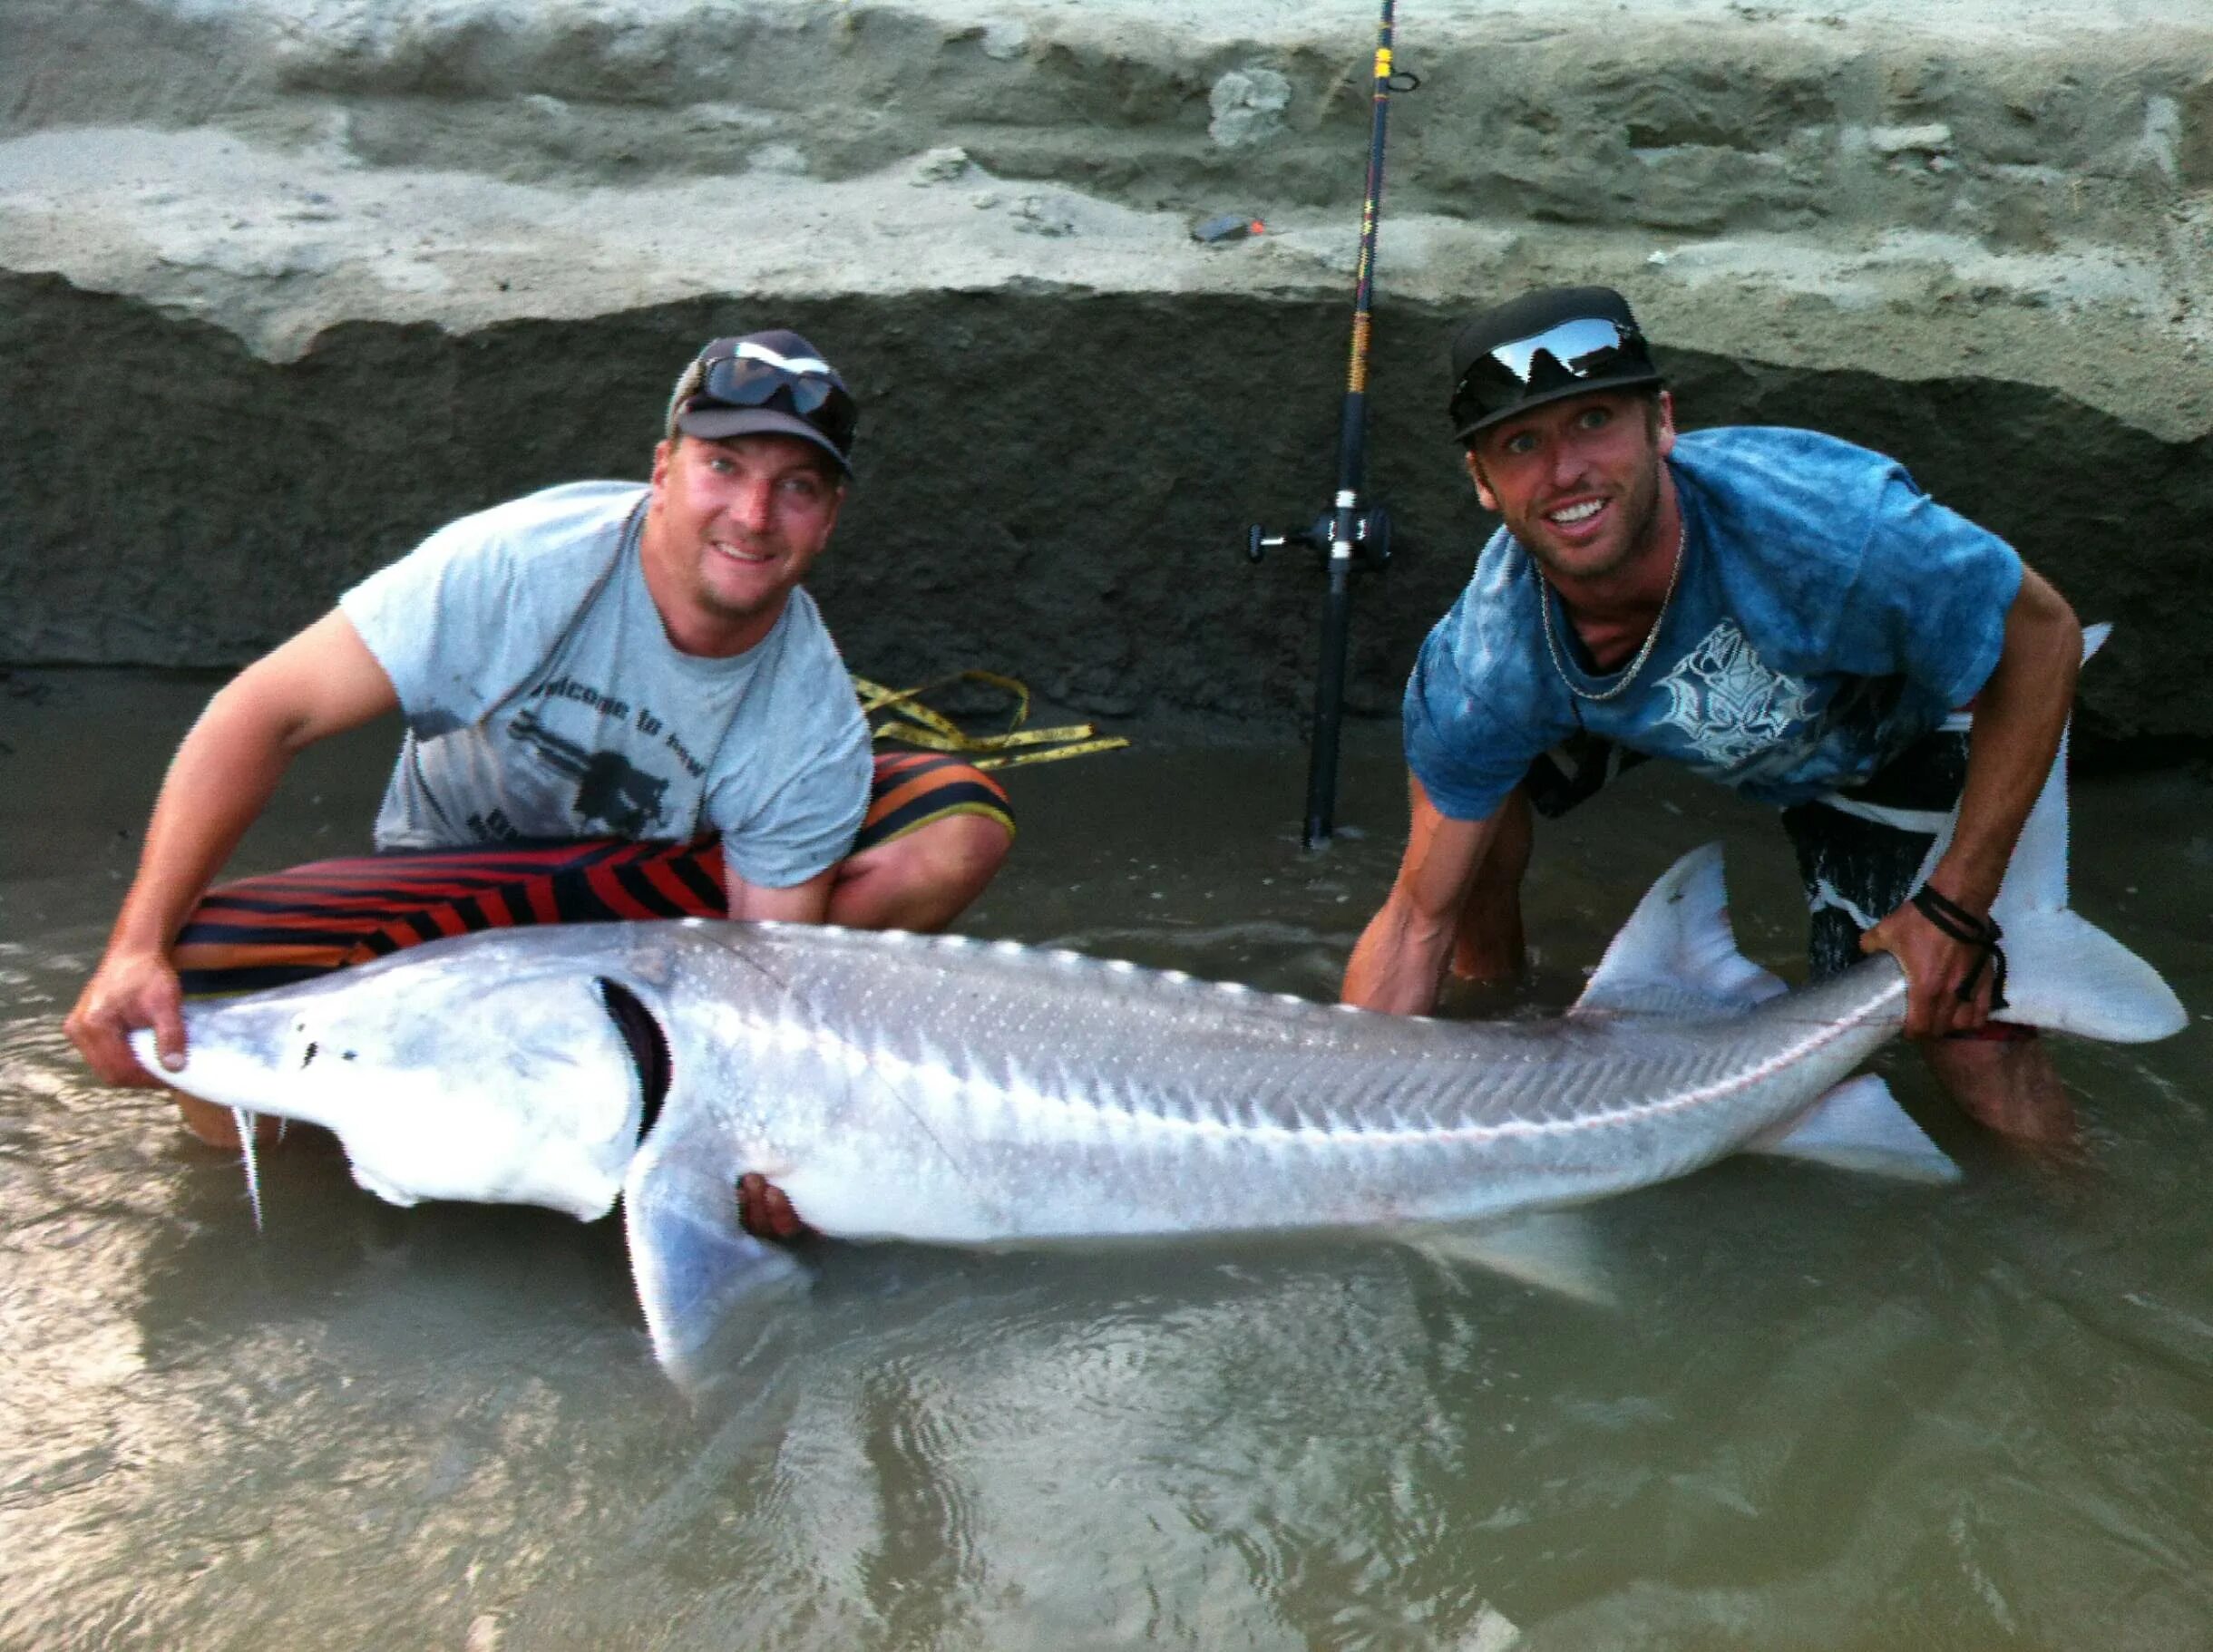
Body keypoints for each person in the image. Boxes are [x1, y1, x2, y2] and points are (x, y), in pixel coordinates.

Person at [66, 329, 1014, 1174]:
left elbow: (763, 969)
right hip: (457, 904)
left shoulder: (809, 713)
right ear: (663, 469)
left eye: (795, 487)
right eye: (724, 465)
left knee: (950, 818)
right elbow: (256, 713)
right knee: (198, 972)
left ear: (828, 519)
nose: (754, 515)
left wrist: (771, 1148)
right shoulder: (521, 563)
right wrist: (132, 944)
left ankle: (649, 1116)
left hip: (652, 911)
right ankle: (292, 1187)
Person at [1342, 286, 2084, 1142]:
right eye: (1520, 443)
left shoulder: (1830, 532)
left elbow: (2043, 634)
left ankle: (2079, 1210)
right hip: (1670, 714)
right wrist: (1367, 1139)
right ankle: (1507, 1015)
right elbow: (1414, 922)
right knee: (1466, 837)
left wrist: (1959, 907)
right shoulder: (1484, 660)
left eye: (1594, 421)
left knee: (1959, 1023)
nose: (1564, 472)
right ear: (1481, 480)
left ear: (1661, 422)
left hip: (1887, 724)